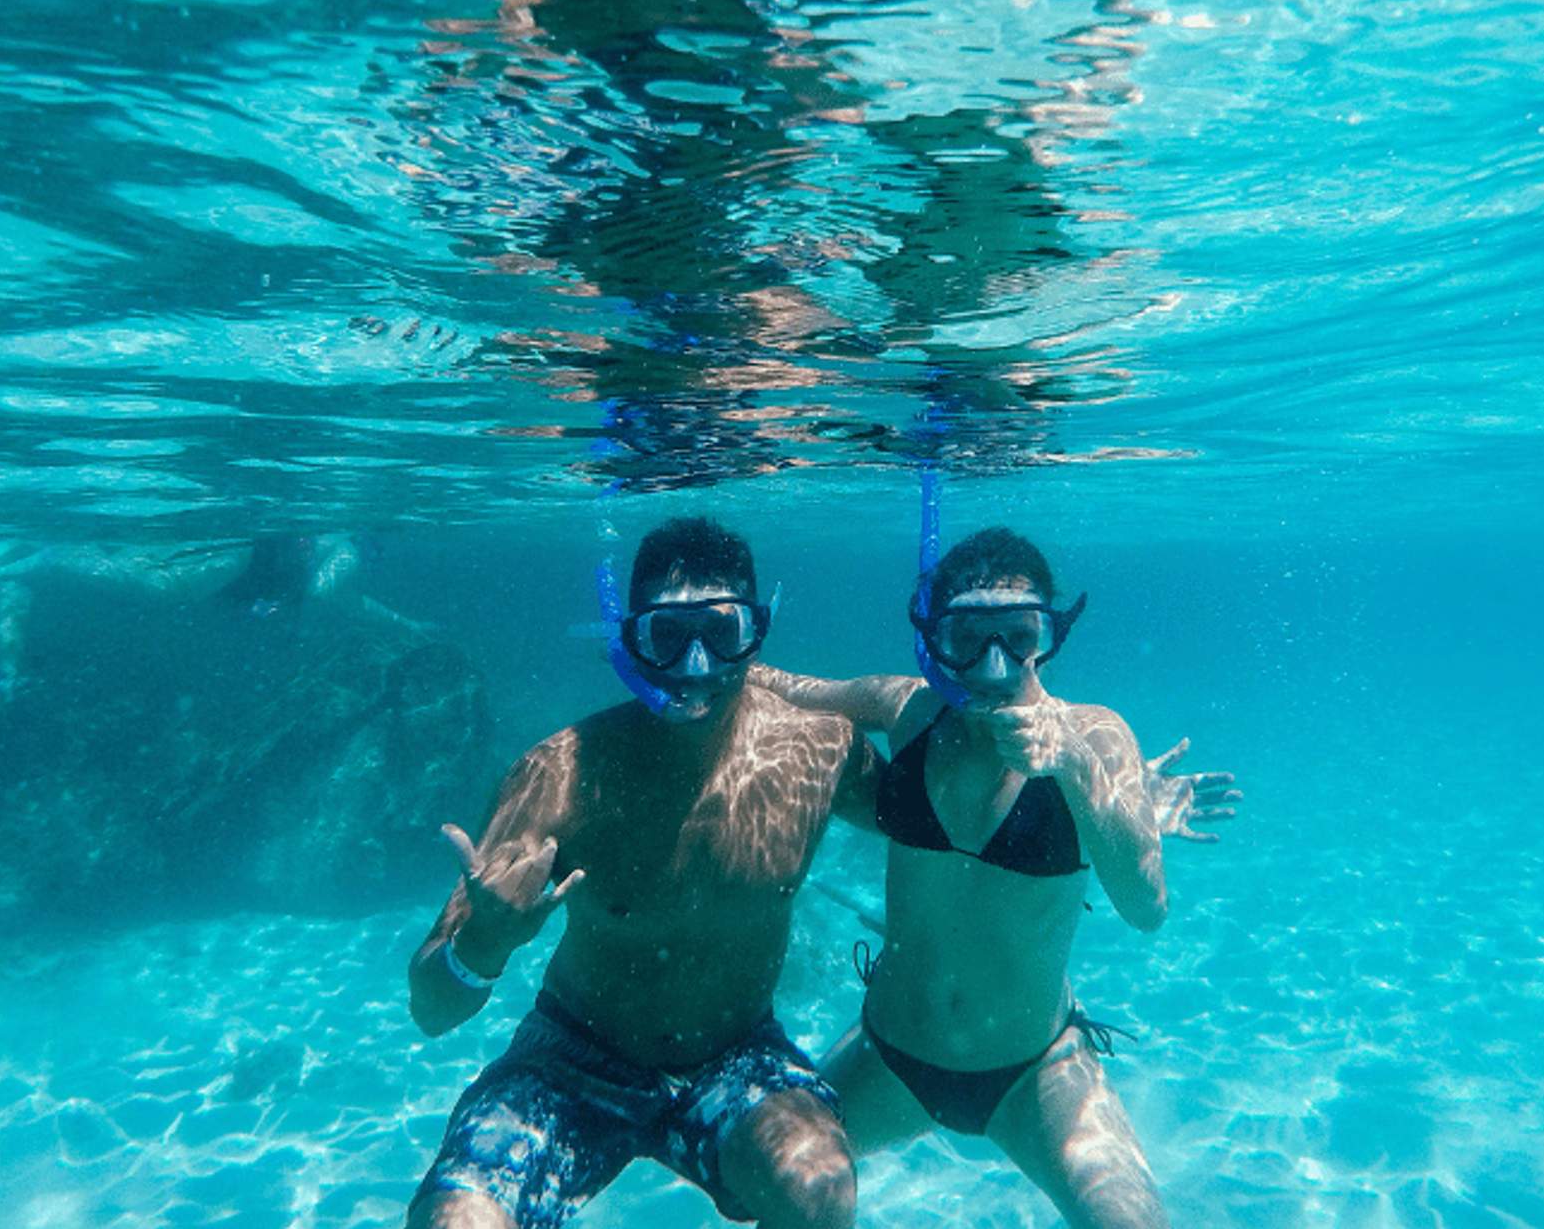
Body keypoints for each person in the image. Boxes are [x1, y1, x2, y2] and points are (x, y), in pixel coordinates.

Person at [751, 526, 1239, 1229]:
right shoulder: (908, 709)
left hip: (1036, 1075)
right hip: (887, 1057)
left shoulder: (1096, 733)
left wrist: (1079, 771)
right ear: (933, 639)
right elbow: (794, 690)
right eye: (967, 638)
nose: (994, 664)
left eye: (1019, 634)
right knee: (771, 1196)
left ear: (1051, 633)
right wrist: (694, 658)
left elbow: (1147, 907)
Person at [406, 517, 882, 1229]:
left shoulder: (821, 751)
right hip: (570, 1059)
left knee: (817, 1190)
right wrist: (485, 945)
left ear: (760, 629)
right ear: (631, 639)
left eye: (722, 631)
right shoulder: (559, 775)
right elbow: (431, 1008)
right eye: (667, 635)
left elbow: (944, 822)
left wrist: (918, 702)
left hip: (736, 1055)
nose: (695, 664)